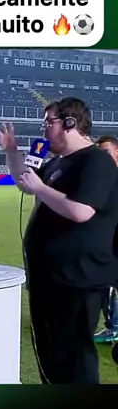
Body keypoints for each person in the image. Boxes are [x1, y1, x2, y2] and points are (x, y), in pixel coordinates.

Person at [0, 97, 118, 384]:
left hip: (78, 280)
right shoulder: (57, 163)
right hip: (50, 280)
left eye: (48, 122)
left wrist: (40, 188)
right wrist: (11, 151)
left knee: (74, 360)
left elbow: (81, 210)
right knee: (52, 357)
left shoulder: (96, 161)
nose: (44, 129)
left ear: (70, 123)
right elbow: (25, 182)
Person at [94, 135, 118, 342]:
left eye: (106, 152)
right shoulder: (101, 178)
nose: (104, 157)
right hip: (106, 242)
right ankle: (113, 327)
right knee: (105, 286)